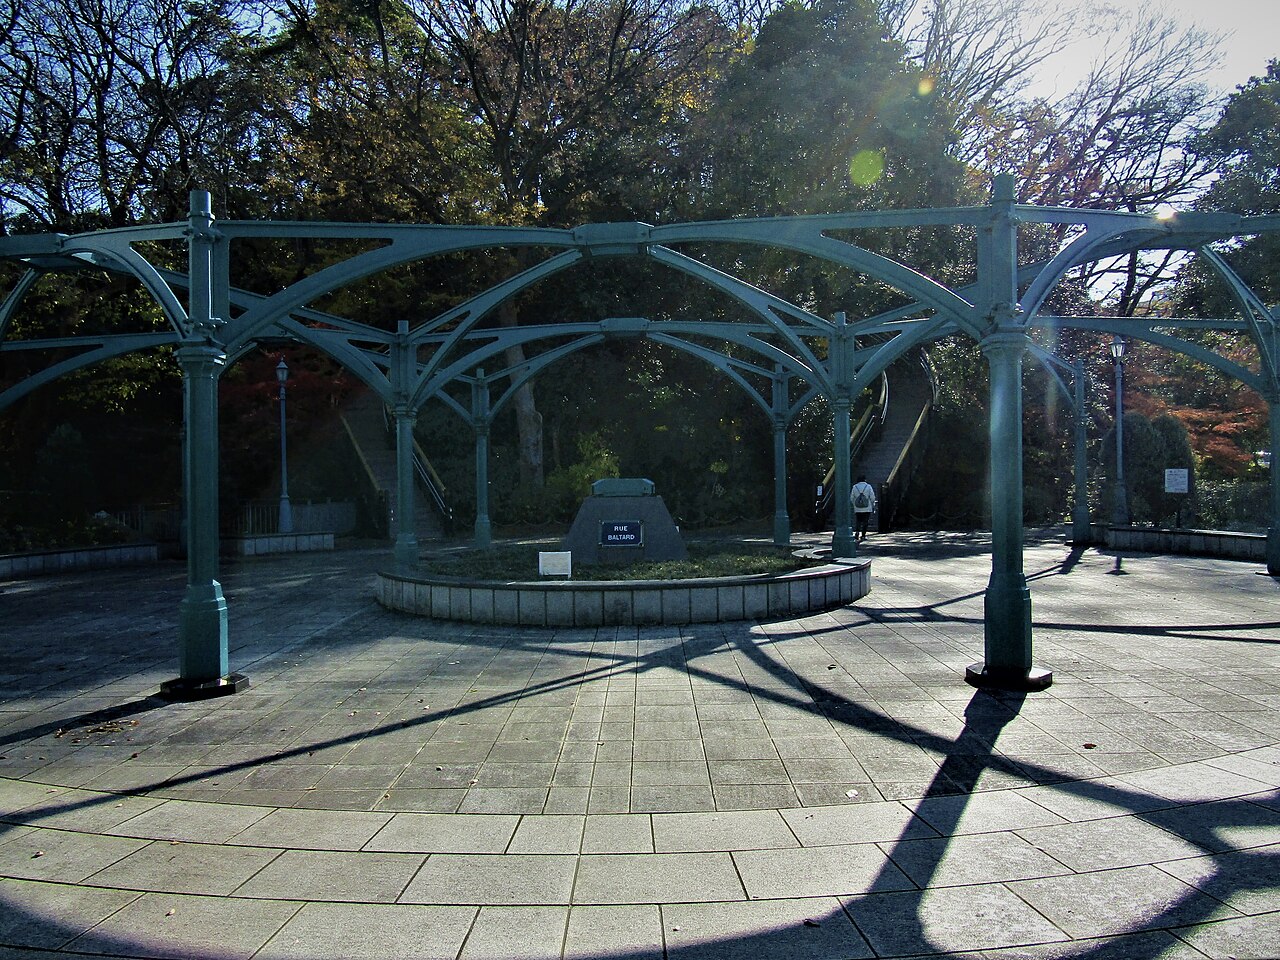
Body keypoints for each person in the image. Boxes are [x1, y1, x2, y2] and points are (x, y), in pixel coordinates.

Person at [850, 474, 876, 542]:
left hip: (857, 508)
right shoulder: (868, 486)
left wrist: (855, 504)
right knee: (865, 521)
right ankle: (863, 535)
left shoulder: (855, 487)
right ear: (865, 479)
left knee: (858, 520)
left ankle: (857, 532)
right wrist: (872, 504)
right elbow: (872, 497)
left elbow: (852, 497)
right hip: (867, 507)